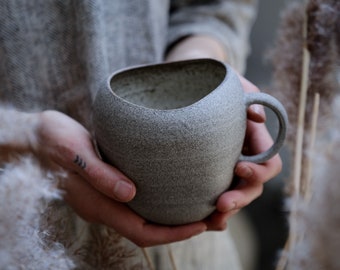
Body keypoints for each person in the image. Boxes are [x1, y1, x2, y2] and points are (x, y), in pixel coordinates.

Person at [0, 0, 282, 269]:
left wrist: (201, 67)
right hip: (26, 244)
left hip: (194, 255)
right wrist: (25, 137)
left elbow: (215, 7)